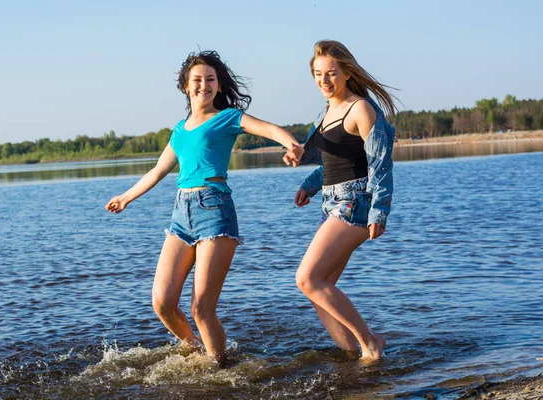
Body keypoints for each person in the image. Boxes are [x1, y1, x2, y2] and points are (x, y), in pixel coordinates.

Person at [105, 50, 303, 365]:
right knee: (163, 303)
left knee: (201, 308)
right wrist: (126, 197)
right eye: (197, 80)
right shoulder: (180, 129)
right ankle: (195, 349)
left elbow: (269, 129)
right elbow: (158, 170)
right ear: (186, 86)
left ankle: (219, 368)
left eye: (210, 79)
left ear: (219, 86)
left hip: (214, 209)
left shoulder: (227, 118)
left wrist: (290, 144)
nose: (204, 85)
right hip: (180, 215)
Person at [284, 40, 396, 361]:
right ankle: (352, 355)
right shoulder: (328, 111)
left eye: (331, 73)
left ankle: (370, 342)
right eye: (318, 74)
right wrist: (309, 184)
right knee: (321, 290)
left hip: (356, 203)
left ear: (347, 72)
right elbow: (331, 162)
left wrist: (379, 212)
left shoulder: (360, 108)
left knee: (307, 279)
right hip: (331, 204)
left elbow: (380, 165)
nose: (324, 80)